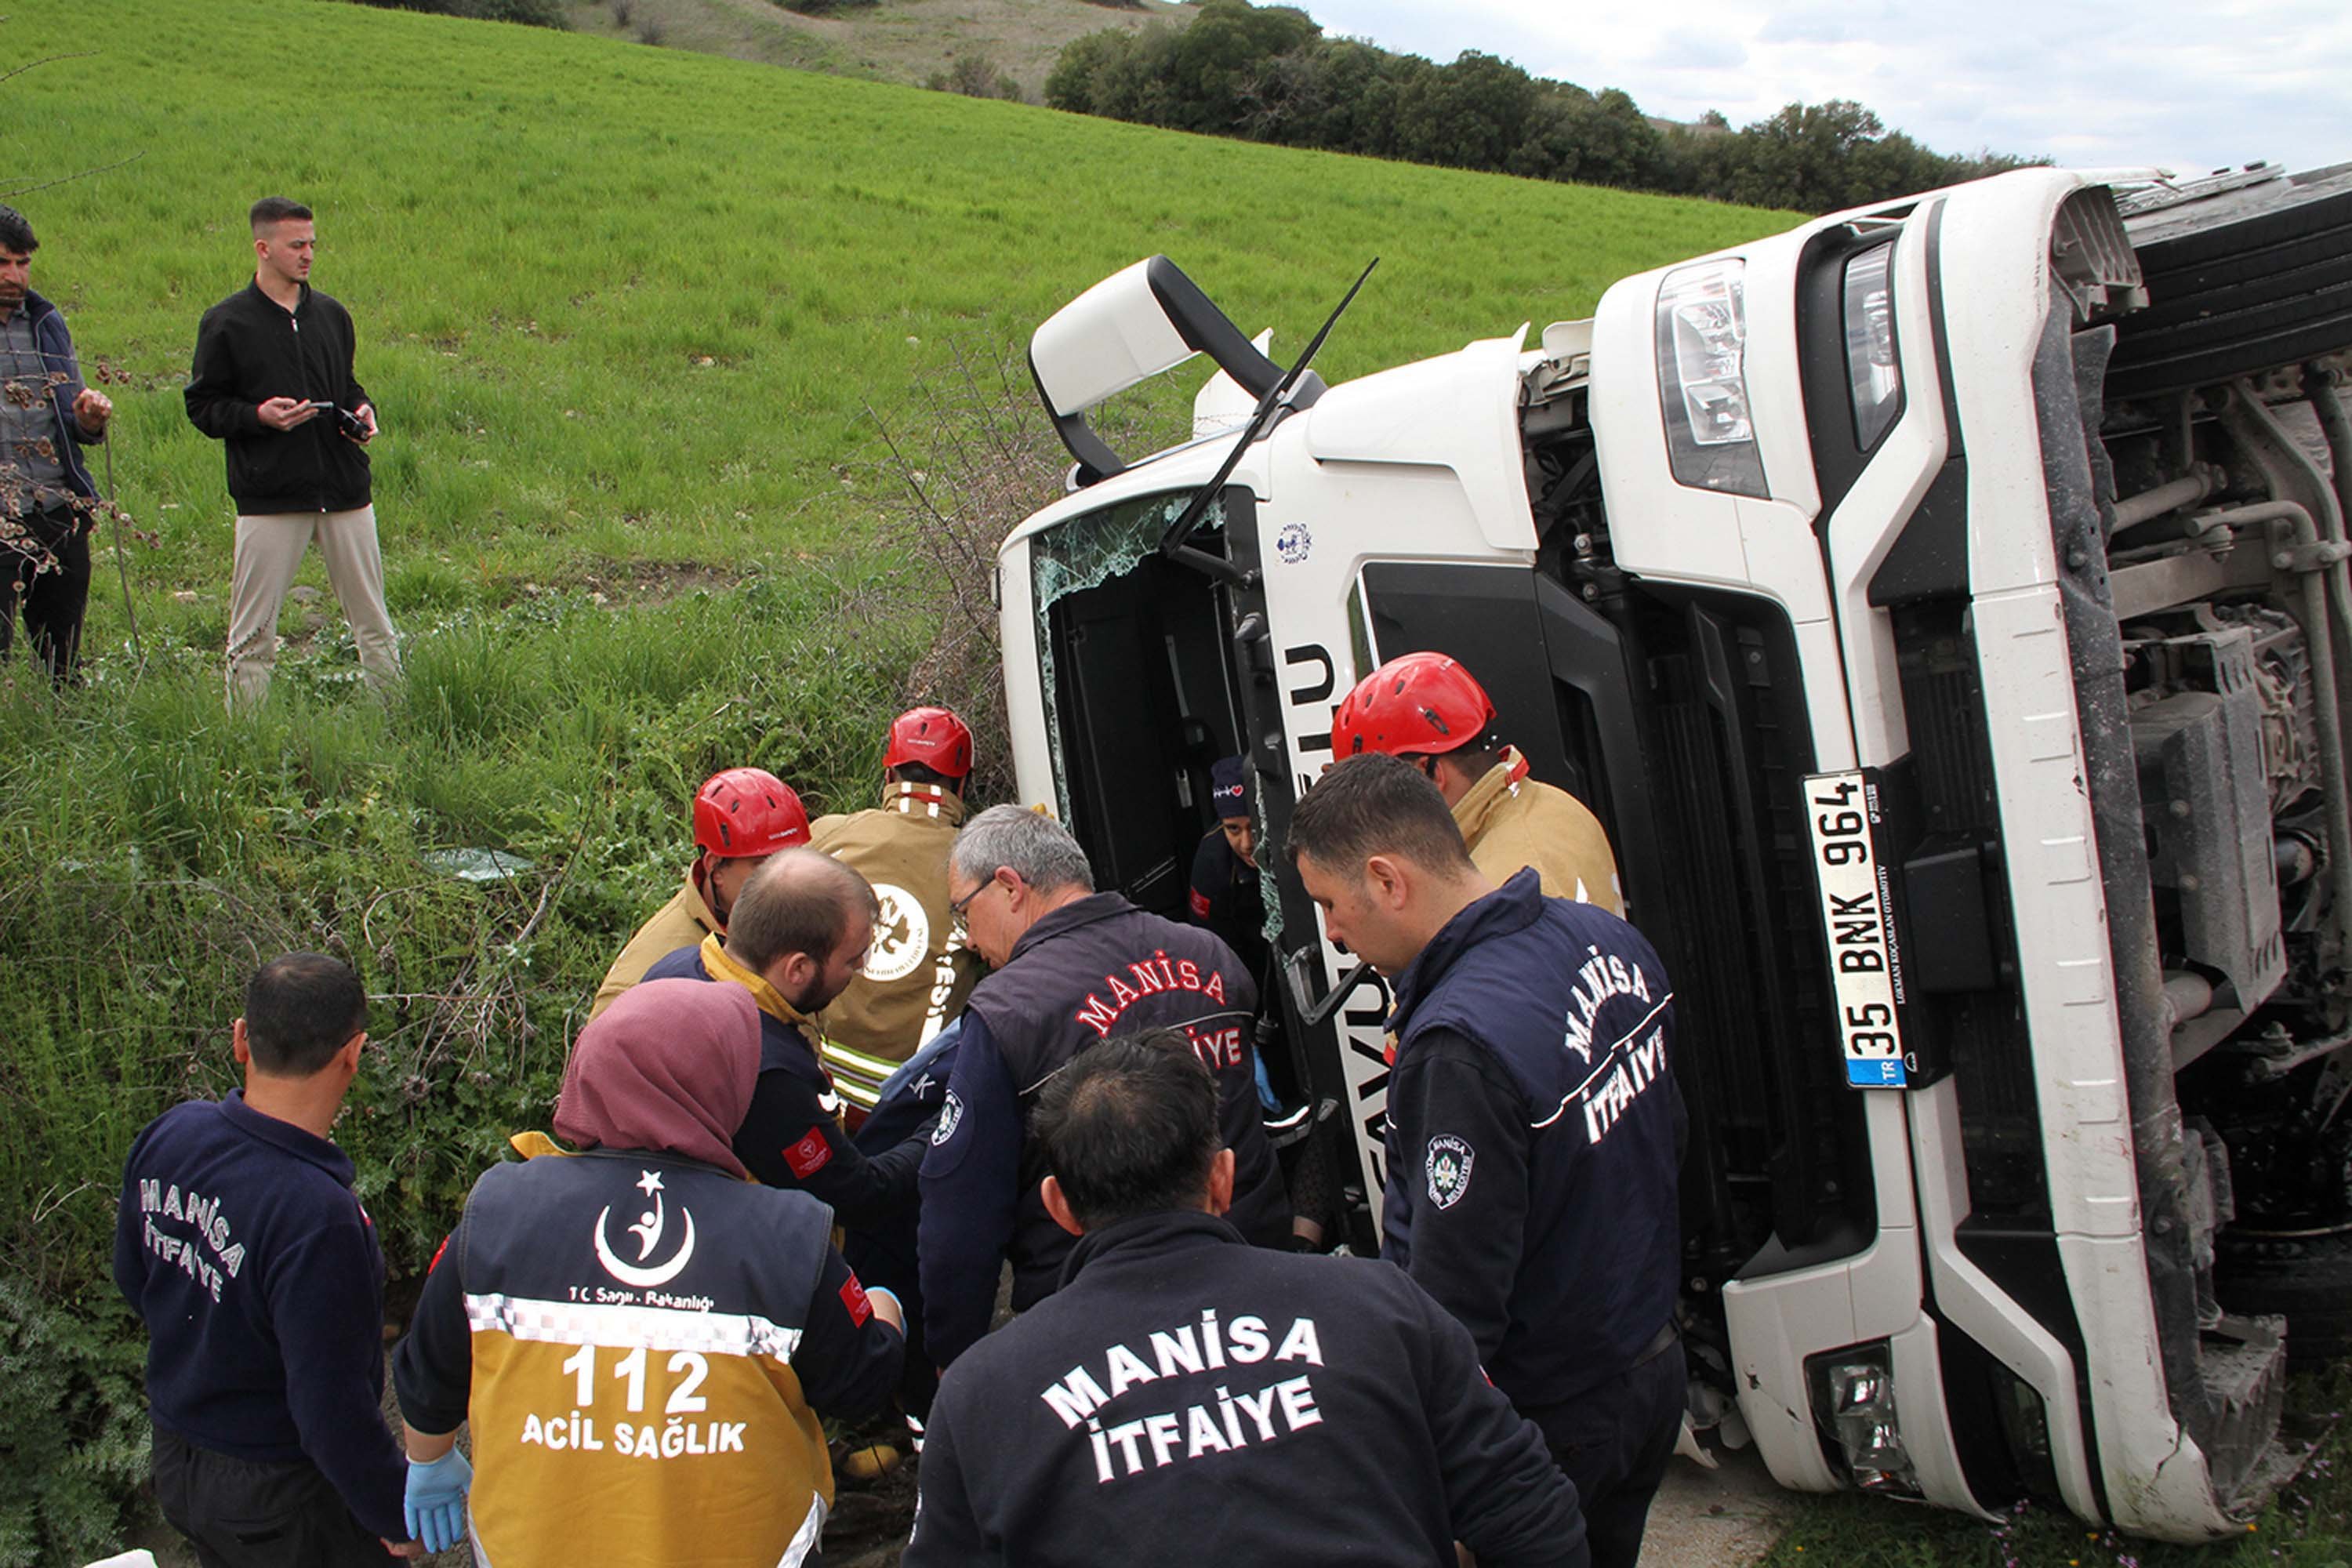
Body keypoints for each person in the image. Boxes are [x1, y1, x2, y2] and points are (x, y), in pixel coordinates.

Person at [904, 1033, 1588, 1568]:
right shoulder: (1381, 1307)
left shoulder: (980, 1398)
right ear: (1223, 1179)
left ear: (1060, 1208)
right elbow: (1537, 1522)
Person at [1286, 754, 1684, 1568]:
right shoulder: (1606, 935)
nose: (1330, 931)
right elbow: (1664, 1139)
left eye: (1329, 902)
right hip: (1649, 1364)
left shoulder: (1457, 1046)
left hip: (1553, 1417)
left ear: (1388, 879)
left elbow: (1453, 1301)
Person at [391, 979, 906, 1567]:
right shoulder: (788, 1233)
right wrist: (883, 1309)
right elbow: (860, 1383)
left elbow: (429, 1368)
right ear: (726, 1085)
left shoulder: (499, 1211)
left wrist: (428, 1461)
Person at [920, 805, 1290, 1370]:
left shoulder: (1009, 1011)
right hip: (1253, 1297)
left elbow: (961, 1211)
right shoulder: (1210, 955)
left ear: (1009, 886)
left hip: (1101, 1331)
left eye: (963, 912)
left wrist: (955, 1359)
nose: (967, 938)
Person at [112, 954, 416, 1566]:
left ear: (241, 1038)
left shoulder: (172, 1134)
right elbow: (330, 1410)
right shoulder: (319, 1215)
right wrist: (392, 1508)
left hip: (178, 1459)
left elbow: (133, 1276)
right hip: (281, 1499)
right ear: (354, 1053)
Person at [641, 848, 934, 1229]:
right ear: (798, 969)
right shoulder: (767, 1073)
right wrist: (941, 1131)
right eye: (852, 960)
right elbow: (856, 1194)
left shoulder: (674, 967)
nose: (859, 971)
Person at [185, 196, 397, 706]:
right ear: (263, 248)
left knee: (375, 624)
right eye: (296, 245)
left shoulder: (331, 315)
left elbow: (345, 383)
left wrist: (361, 410)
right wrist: (259, 417)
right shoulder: (227, 323)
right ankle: (247, 743)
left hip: (344, 489)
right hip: (271, 494)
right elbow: (204, 405)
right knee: (252, 634)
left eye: (312, 245)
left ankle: (396, 721)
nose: (308, 255)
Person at [1330, 650, 1623, 913]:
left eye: (1376, 797)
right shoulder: (1551, 805)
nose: (1376, 819)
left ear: (1429, 775)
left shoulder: (1497, 894)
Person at [805, 705, 987, 1121]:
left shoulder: (829, 834)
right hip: (910, 1106)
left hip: (814, 1088)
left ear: (889, 776)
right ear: (963, 785)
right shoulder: (977, 868)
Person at [590, 766, 809, 1021]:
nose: (788, 878)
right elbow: (607, 1050)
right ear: (715, 868)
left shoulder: (774, 911)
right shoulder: (654, 967)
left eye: (794, 859)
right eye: (763, 866)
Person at [0, 203, 113, 684]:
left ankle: (67, 734)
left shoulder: (46, 323)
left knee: (62, 654)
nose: (14, 276)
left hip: (55, 507)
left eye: (22, 264)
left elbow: (72, 420)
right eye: (3, 262)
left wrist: (88, 419)